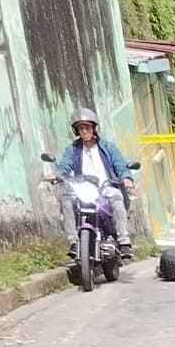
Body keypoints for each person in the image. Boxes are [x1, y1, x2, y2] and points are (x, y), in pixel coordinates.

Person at [54, 108, 136, 258]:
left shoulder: (107, 147)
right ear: (76, 130)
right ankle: (73, 242)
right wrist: (57, 175)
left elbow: (120, 165)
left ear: (94, 128)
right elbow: (64, 166)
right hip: (83, 188)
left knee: (117, 200)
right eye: (80, 128)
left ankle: (124, 242)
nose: (84, 131)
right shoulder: (72, 149)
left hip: (106, 187)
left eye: (87, 127)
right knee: (66, 200)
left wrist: (126, 178)